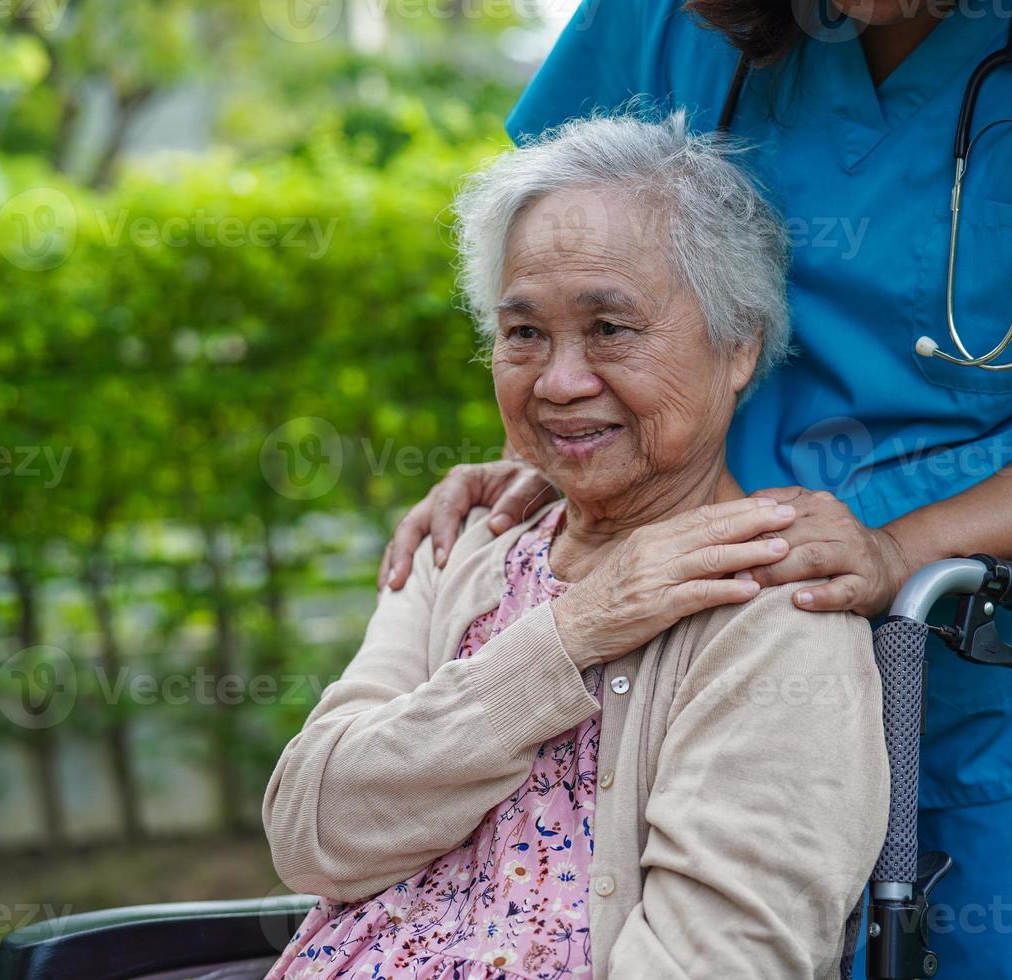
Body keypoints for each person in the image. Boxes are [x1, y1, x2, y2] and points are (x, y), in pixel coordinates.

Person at [376, 1, 1012, 975]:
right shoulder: (666, 16)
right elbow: (573, 265)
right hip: (722, 645)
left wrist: (898, 552)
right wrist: (549, 457)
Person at [263, 112, 887, 979]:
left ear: (737, 346)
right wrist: (570, 633)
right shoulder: (466, 546)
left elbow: (716, 962)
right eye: (523, 334)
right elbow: (311, 834)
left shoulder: (776, 613)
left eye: (610, 329)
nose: (559, 382)